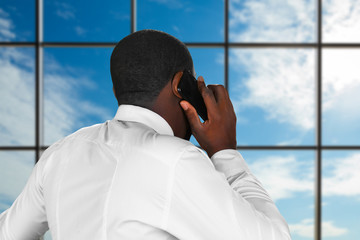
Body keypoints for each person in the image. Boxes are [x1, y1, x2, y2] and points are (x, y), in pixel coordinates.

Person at [0, 29, 290, 240]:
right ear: (181, 85)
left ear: (117, 92)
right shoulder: (176, 160)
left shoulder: (60, 153)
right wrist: (225, 153)